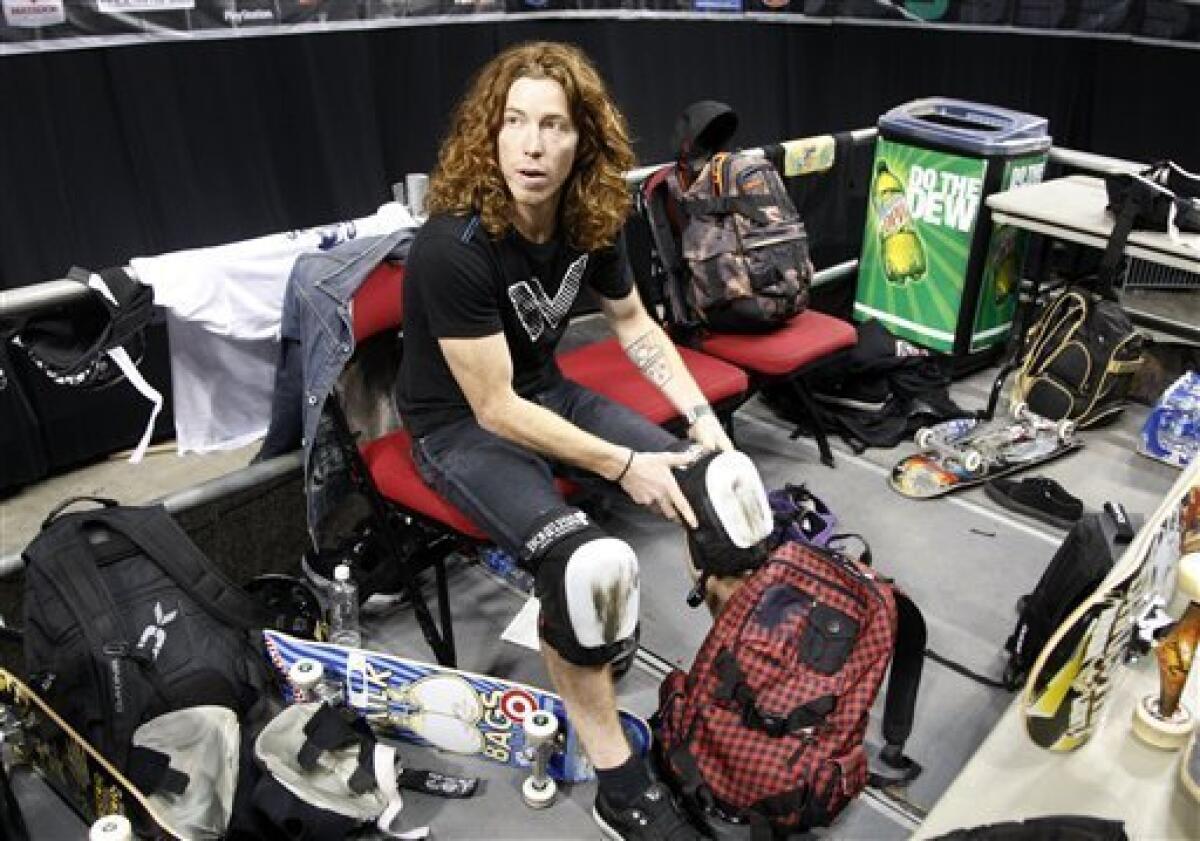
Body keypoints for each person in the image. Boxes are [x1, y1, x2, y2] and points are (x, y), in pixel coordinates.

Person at [394, 41, 751, 840]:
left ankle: (738, 694)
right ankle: (619, 783)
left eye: (552, 125)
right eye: (514, 122)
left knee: (719, 492)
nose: (530, 143)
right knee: (589, 564)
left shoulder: (593, 214)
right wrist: (626, 465)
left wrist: (702, 426)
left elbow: (633, 323)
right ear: (489, 135)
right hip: (455, 425)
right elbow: (491, 409)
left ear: (582, 140)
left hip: (546, 392)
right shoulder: (454, 245)